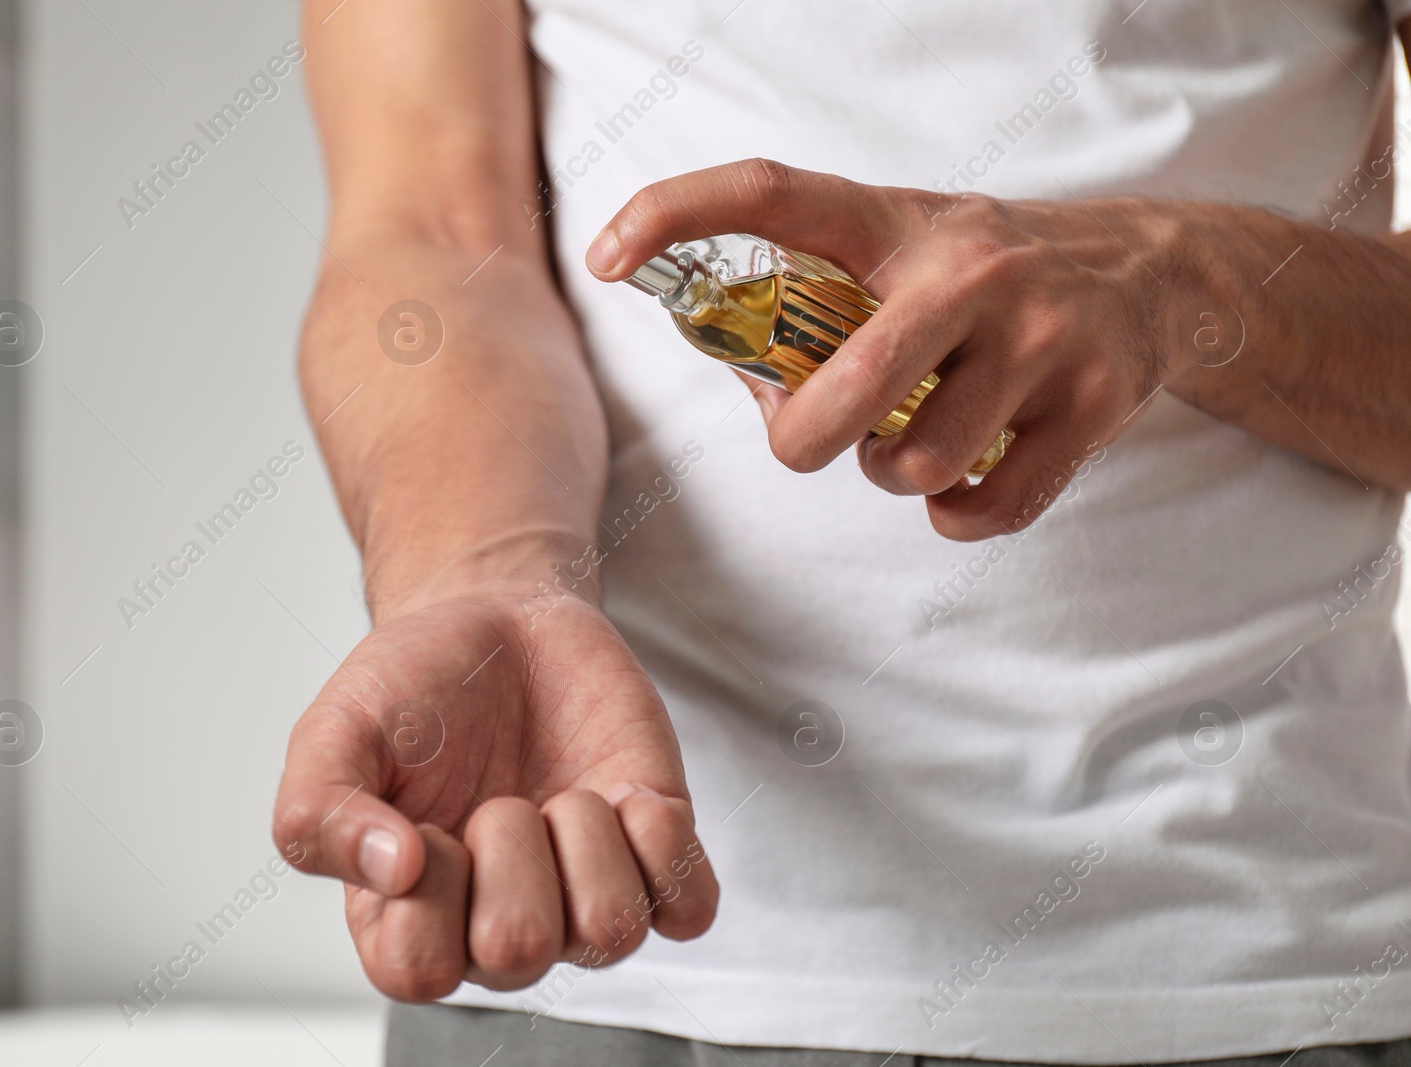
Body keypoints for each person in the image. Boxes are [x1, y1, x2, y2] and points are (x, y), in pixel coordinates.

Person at [272, 0, 1411, 1063]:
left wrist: (1184, 283)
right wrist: (489, 582)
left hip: (1246, 971)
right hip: (590, 922)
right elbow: (430, 232)